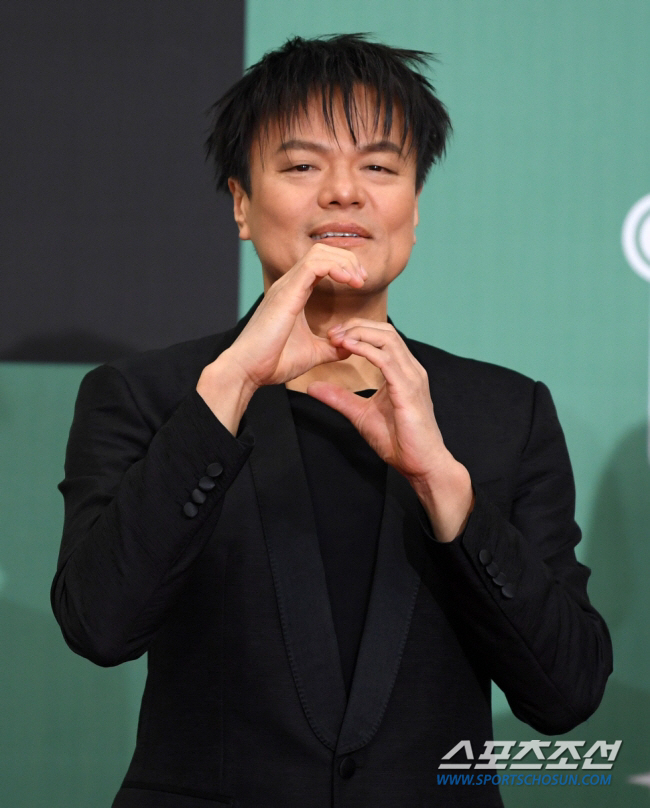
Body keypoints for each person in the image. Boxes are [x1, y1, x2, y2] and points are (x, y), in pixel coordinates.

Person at [51, 34, 612, 808]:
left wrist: (446, 488)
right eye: (302, 166)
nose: (345, 192)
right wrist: (231, 389)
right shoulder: (150, 395)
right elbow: (100, 626)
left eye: (379, 167)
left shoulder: (504, 413)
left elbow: (568, 692)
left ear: (414, 207)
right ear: (241, 203)